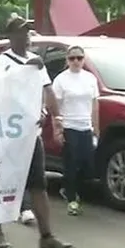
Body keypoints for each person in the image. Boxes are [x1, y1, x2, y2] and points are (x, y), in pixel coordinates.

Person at [0, 16, 74, 248]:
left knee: (38, 184)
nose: (26, 37)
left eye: (27, 33)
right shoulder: (2, 62)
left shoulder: (36, 63)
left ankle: (46, 236)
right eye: (21, 33)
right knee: (2, 183)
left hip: (30, 133)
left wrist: (54, 115)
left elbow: (47, 90)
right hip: (7, 132)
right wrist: (24, 69)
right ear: (11, 36)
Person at [52, 46, 99, 216]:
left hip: (86, 126)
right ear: (67, 60)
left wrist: (96, 128)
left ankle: (69, 189)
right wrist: (58, 130)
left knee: (87, 165)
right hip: (69, 126)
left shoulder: (90, 79)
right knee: (71, 164)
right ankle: (72, 199)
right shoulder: (61, 80)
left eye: (79, 58)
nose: (76, 61)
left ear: (84, 59)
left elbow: (94, 104)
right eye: (72, 58)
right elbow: (55, 107)